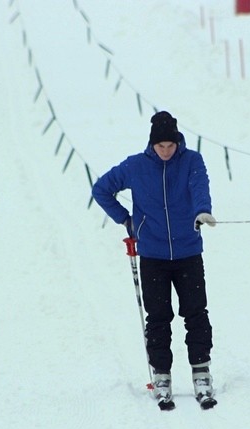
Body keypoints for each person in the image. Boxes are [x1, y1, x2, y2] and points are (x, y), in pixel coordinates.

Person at [92, 111, 218, 408]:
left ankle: (202, 373)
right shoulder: (136, 166)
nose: (165, 151)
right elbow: (102, 190)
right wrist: (127, 221)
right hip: (152, 255)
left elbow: (200, 187)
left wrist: (202, 210)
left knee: (196, 313)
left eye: (170, 146)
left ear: (178, 142)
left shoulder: (192, 161)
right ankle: (161, 376)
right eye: (160, 146)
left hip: (188, 252)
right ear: (152, 144)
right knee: (159, 318)